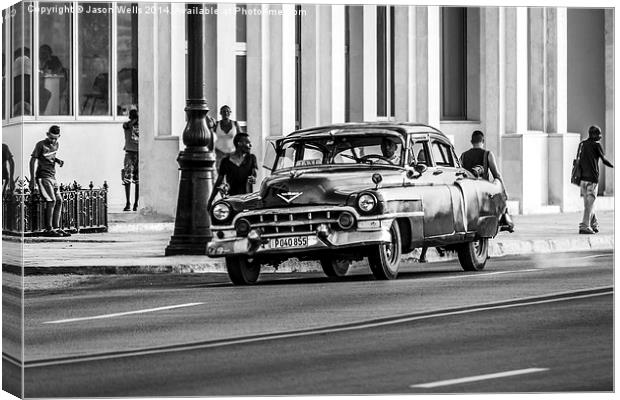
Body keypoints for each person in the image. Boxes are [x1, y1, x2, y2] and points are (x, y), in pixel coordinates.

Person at [460, 130, 514, 233]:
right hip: (483, 193)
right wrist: (504, 191)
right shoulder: (487, 154)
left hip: (468, 193)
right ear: (483, 141)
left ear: (471, 141)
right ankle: (505, 221)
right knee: (499, 193)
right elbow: (496, 175)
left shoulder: (463, 156)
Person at [29, 125, 70, 237]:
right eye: (51, 137)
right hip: (43, 177)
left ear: (59, 137)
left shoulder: (56, 144)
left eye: (55, 138)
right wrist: (32, 179)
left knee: (59, 200)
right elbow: (32, 161)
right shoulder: (40, 145)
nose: (53, 140)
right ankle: (49, 229)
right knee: (51, 201)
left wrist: (57, 160)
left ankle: (56, 228)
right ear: (47, 134)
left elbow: (50, 156)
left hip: (52, 177)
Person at [577, 125, 614, 234]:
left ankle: (594, 224)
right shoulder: (596, 145)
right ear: (593, 134)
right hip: (592, 179)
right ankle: (584, 225)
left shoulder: (582, 144)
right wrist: (613, 166)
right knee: (590, 203)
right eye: (598, 134)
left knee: (589, 203)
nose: (600, 136)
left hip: (583, 179)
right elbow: (604, 160)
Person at [208, 132, 257, 207]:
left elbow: (254, 175)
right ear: (239, 143)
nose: (250, 146)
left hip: (247, 200)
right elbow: (218, 182)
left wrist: (253, 178)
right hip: (232, 200)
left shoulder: (251, 158)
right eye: (248, 143)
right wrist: (210, 200)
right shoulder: (226, 161)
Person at [214, 105, 242, 171]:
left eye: (227, 111)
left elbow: (242, 137)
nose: (226, 113)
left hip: (233, 153)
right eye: (223, 111)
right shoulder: (216, 124)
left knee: (233, 173)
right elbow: (211, 137)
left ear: (230, 113)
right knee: (220, 172)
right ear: (220, 113)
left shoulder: (235, 124)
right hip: (219, 153)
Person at [122, 109, 139, 211]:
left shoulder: (140, 127)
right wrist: (134, 121)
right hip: (129, 153)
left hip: (138, 153)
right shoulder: (127, 125)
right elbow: (127, 126)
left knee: (138, 180)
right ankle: (128, 202)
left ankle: (136, 203)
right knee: (127, 179)